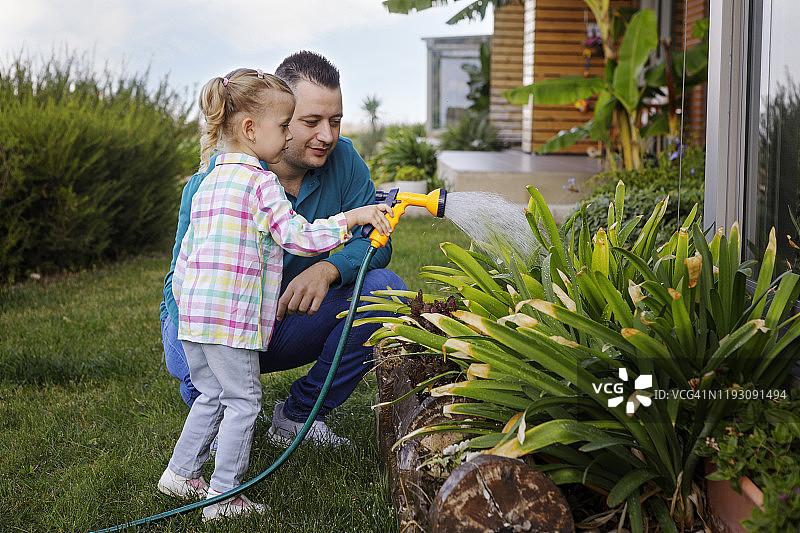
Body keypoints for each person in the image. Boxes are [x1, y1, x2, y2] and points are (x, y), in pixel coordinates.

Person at [157, 68, 393, 521]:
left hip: (202, 319)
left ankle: (180, 474)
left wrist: (192, 315)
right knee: (242, 401)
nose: (296, 136)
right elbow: (298, 236)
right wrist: (351, 218)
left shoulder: (212, 180)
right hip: (234, 323)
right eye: (291, 125)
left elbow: (187, 260)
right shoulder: (259, 182)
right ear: (252, 128)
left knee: (213, 396)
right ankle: (224, 497)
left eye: (335, 121)